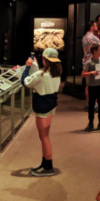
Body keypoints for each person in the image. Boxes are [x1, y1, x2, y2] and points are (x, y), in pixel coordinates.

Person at [21, 48, 63, 177]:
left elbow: (25, 82)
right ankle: (44, 163)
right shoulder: (56, 73)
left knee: (44, 137)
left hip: (42, 106)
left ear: (45, 60)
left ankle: (48, 166)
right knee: (44, 136)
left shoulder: (41, 75)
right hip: (51, 105)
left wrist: (28, 67)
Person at [82, 44, 100, 132]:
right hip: (92, 86)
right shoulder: (88, 62)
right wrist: (91, 72)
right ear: (95, 51)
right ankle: (91, 123)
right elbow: (83, 74)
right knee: (91, 105)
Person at [82, 20, 100, 111]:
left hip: (86, 59)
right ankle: (95, 105)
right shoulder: (93, 38)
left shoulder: (84, 37)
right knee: (96, 84)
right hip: (94, 61)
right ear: (91, 27)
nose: (97, 27)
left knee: (88, 84)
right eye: (95, 25)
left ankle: (90, 104)